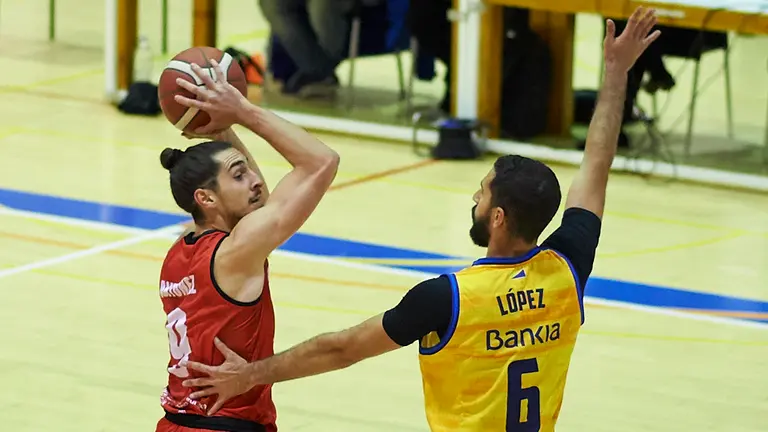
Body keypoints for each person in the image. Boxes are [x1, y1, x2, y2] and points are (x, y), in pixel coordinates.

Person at [178, 7, 661, 431]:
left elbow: (341, 349)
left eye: (483, 189)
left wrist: (251, 374)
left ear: (497, 217)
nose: (474, 194)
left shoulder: (448, 298)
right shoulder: (568, 268)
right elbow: (596, 165)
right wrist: (616, 74)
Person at [154, 59, 340, 432]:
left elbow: (260, 206)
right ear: (206, 198)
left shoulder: (181, 250)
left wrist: (223, 132)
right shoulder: (235, 253)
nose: (255, 180)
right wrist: (243, 111)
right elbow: (322, 162)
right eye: (240, 175)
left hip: (176, 422)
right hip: (227, 424)